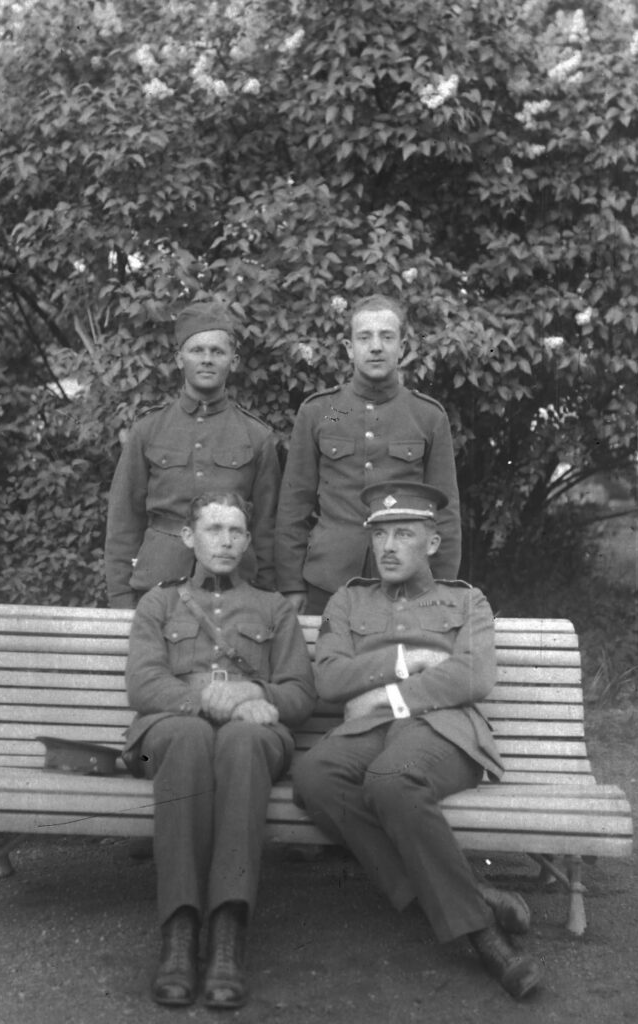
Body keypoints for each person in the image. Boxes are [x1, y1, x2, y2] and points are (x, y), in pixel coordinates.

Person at [291, 481, 542, 1000]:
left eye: (403, 534)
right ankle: (472, 894)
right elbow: (330, 680)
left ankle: (485, 940)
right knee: (314, 777)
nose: (388, 547)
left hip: (443, 730)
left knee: (391, 779)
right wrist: (410, 660)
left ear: (432, 542)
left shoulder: (466, 600)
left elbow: (472, 676)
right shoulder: (348, 599)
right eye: (379, 534)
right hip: (366, 733)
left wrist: (388, 697)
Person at [122, 491, 315, 1009]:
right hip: (158, 744)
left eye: (235, 531)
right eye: (213, 529)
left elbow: (300, 694)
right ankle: (179, 936)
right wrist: (212, 701)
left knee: (243, 740)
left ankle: (228, 936)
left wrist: (255, 692)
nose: (225, 541)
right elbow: (143, 685)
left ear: (248, 541)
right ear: (189, 537)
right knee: (188, 737)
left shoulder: (273, 608)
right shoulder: (159, 603)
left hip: (252, 739)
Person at [275, 294, 461, 615]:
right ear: (349, 349)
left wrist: (441, 587)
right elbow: (294, 505)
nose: (376, 347)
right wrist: (291, 584)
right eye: (365, 337)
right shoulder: (325, 411)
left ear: (402, 347)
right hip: (327, 581)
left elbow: (445, 513)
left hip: (407, 583)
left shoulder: (427, 416)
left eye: (387, 337)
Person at [105, 299, 281, 608]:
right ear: (179, 359)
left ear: (234, 361)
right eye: (197, 350)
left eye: (217, 351)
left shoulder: (257, 436)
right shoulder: (148, 430)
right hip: (159, 582)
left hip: (235, 586)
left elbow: (266, 528)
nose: (207, 359)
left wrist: (266, 595)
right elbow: (124, 521)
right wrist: (120, 596)